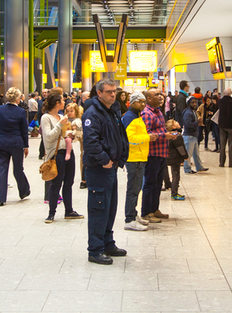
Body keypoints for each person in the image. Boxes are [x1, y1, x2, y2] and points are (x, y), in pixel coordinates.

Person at [82, 79, 129, 265]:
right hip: (98, 168)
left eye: (114, 92)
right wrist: (105, 160)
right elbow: (91, 142)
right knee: (98, 209)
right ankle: (95, 250)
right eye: (109, 92)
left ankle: (107, 243)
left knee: (109, 208)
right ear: (99, 93)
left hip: (111, 167)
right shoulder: (92, 114)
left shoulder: (112, 111)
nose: (112, 95)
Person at [41, 93, 82, 220]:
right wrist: (60, 124)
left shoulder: (61, 116)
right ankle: (51, 213)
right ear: (57, 103)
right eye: (62, 101)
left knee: (69, 182)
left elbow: (65, 135)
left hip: (68, 153)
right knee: (56, 183)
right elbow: (48, 137)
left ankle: (69, 211)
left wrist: (72, 135)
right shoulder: (46, 118)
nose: (64, 103)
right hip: (56, 154)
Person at [141, 88, 176, 223]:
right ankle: (146, 212)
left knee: (157, 183)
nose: (160, 96)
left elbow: (160, 129)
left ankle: (155, 209)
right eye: (156, 95)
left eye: (160, 94)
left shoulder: (158, 112)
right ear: (149, 99)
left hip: (161, 153)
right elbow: (147, 134)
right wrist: (164, 136)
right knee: (150, 183)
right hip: (152, 154)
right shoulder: (147, 114)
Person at [0, 87, 31, 207]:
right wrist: (26, 145)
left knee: (2, 169)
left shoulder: (0, 109)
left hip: (2, 141)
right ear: (18, 99)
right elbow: (24, 130)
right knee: (18, 168)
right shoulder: (20, 112)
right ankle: (24, 191)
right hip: (16, 142)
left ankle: (0, 197)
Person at [122, 91, 154, 231]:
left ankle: (134, 215)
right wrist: (148, 138)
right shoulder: (130, 117)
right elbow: (130, 138)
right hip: (134, 158)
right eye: (139, 101)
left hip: (140, 157)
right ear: (133, 102)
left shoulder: (137, 116)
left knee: (136, 189)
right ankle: (129, 219)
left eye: (143, 102)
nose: (142, 104)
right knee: (133, 190)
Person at [182, 96, 207, 173]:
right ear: (189, 103)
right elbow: (188, 124)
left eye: (195, 102)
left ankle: (199, 167)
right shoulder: (188, 113)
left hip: (194, 136)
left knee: (196, 154)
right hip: (189, 136)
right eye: (192, 102)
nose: (194, 104)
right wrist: (197, 123)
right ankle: (187, 169)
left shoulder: (193, 111)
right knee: (188, 155)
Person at [165, 119, 188, 201]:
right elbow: (180, 147)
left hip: (169, 157)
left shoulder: (169, 135)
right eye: (176, 122)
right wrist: (185, 156)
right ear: (174, 126)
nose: (178, 122)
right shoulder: (176, 136)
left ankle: (173, 190)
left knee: (174, 174)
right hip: (175, 158)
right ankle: (174, 193)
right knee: (176, 176)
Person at [217, 88, 232, 167]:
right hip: (231, 125)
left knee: (222, 145)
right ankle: (231, 162)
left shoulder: (220, 102)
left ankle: (222, 162)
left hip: (222, 125)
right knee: (231, 144)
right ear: (231, 93)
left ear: (224, 92)